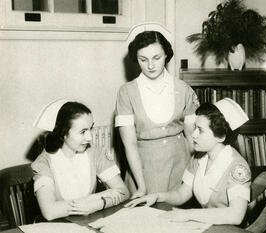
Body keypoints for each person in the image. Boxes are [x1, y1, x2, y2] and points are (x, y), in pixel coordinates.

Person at [125, 98, 251, 226]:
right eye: (195, 127)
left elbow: (236, 216)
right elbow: (181, 194)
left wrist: (187, 214)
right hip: (207, 226)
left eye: (200, 130)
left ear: (221, 137)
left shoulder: (238, 167)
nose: (193, 134)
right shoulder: (198, 157)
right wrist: (156, 196)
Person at [115, 22, 199, 198]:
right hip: (144, 170)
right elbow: (129, 144)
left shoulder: (184, 89)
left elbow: (192, 138)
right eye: (143, 60)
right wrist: (141, 187)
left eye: (156, 58)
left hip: (181, 167)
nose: (150, 65)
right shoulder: (126, 92)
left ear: (166, 55)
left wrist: (196, 174)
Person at [31, 99, 130, 221]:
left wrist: (98, 204)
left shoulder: (94, 152)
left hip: (90, 222)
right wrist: (97, 197)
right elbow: (49, 212)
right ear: (63, 133)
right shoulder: (43, 163)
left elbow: (123, 191)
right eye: (83, 132)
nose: (89, 137)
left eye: (90, 128)